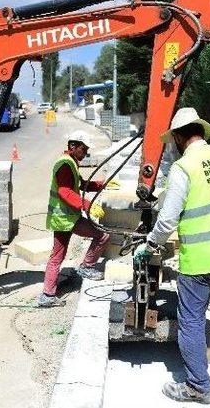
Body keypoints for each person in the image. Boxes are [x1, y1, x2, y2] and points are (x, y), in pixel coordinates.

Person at [134, 107, 210, 404]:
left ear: (181, 137)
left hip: (201, 255)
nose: (172, 145)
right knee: (198, 308)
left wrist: (150, 245)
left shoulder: (183, 168)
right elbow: (209, 196)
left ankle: (198, 387)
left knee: (191, 320)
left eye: (173, 139)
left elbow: (168, 219)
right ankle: (198, 377)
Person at [38, 130, 118, 308]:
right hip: (65, 218)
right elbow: (65, 191)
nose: (85, 153)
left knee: (57, 255)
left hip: (64, 217)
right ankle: (86, 267)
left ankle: (47, 295)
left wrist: (101, 185)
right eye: (84, 149)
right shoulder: (65, 164)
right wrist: (88, 205)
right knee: (102, 235)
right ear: (73, 146)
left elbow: (81, 184)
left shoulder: (71, 162)